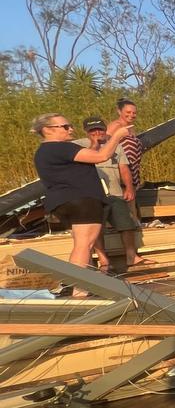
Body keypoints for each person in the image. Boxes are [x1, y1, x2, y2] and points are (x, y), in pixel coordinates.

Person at [31, 113, 130, 296]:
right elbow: (101, 156)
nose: (71, 129)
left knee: (80, 244)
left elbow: (91, 154)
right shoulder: (60, 148)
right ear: (47, 130)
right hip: (82, 200)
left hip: (64, 202)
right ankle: (79, 289)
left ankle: (73, 284)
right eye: (65, 126)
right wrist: (116, 135)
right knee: (85, 244)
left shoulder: (44, 152)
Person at [75, 117, 147, 270]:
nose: (97, 133)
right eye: (92, 131)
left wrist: (128, 188)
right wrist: (94, 145)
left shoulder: (115, 144)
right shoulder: (78, 145)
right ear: (86, 132)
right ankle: (104, 260)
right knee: (96, 228)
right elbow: (82, 162)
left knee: (126, 223)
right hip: (92, 194)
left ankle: (131, 256)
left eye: (100, 129)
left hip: (114, 192)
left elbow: (124, 168)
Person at [108, 98, 143, 220]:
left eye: (134, 112)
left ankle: (134, 222)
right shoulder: (115, 126)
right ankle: (128, 222)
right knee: (124, 197)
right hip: (121, 167)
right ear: (119, 111)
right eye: (128, 112)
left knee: (131, 197)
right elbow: (105, 144)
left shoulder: (131, 128)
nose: (131, 115)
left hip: (133, 168)